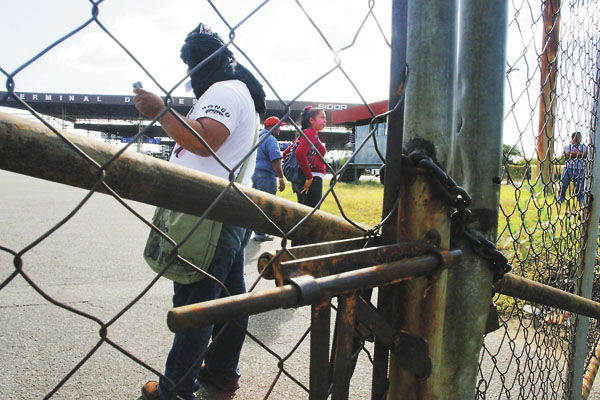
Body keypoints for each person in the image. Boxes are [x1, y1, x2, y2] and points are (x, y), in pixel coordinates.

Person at [134, 22, 266, 400]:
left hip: (208, 216)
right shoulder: (233, 89)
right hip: (224, 211)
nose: (190, 73)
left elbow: (206, 139)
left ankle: (175, 389)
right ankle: (222, 373)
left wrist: (161, 110)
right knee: (228, 302)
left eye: (191, 63)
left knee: (196, 303)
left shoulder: (223, 90)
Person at [282, 106, 327, 212]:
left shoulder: (303, 135)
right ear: (311, 119)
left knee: (303, 215)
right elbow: (299, 153)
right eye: (322, 117)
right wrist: (309, 177)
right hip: (312, 180)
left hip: (302, 180)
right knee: (312, 216)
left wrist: (297, 176)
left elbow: (285, 154)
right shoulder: (310, 134)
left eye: (325, 118)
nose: (325, 121)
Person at [252, 116, 286, 241]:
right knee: (267, 205)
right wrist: (281, 179)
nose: (280, 130)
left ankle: (254, 230)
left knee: (255, 204)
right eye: (278, 127)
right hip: (266, 175)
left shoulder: (257, 137)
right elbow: (275, 160)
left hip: (254, 173)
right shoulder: (271, 139)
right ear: (271, 127)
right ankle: (260, 233)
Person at [558, 131, 587, 205]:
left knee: (579, 186)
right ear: (574, 137)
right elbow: (568, 155)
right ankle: (560, 199)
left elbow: (585, 155)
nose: (580, 138)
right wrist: (580, 154)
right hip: (569, 167)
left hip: (580, 168)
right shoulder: (568, 146)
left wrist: (573, 154)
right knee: (563, 184)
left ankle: (581, 201)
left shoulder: (583, 146)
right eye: (578, 136)